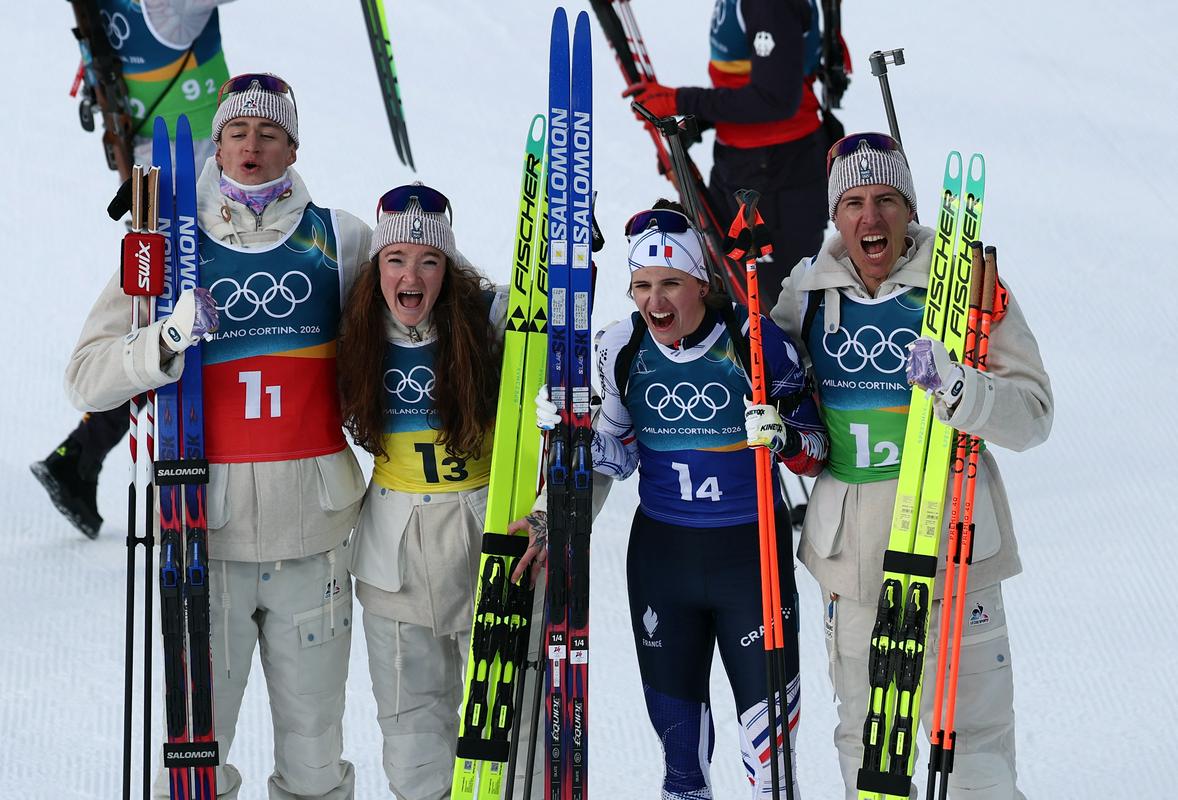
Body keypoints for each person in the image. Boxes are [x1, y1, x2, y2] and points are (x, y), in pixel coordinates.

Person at [65, 73, 371, 799]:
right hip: (204, 533)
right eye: (237, 131)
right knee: (200, 758)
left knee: (316, 756)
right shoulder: (165, 242)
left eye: (269, 133)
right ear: (220, 141)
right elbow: (86, 377)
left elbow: (417, 311)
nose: (252, 146)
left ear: (293, 144)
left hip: (315, 532)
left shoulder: (342, 238)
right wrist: (165, 338)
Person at [769, 132, 1053, 799]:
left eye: (889, 201)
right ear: (836, 215)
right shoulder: (806, 290)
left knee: (974, 754)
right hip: (853, 559)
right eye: (856, 202)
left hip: (955, 547)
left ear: (911, 209)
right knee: (869, 750)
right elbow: (765, 376)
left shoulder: (968, 284)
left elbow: (1035, 413)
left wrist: (963, 391)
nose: (872, 219)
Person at [523, 202, 829, 799]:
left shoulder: (755, 343)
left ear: (702, 283)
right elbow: (620, 456)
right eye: (641, 285)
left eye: (670, 283)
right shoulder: (621, 348)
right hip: (664, 557)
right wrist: (571, 433)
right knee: (681, 765)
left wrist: (785, 438)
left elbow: (816, 454)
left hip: (750, 556)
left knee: (771, 763)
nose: (655, 300)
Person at [336, 184, 546, 799]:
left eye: (428, 261)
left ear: (447, 268)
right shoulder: (354, 330)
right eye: (396, 259)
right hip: (393, 551)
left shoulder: (490, 320)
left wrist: (567, 282)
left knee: (513, 725)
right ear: (377, 266)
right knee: (411, 737)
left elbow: (566, 405)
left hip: (489, 536)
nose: (411, 275)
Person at [35, 0, 234, 538]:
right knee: (179, 337)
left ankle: (78, 455)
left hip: (155, 186)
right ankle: (79, 456)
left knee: (161, 335)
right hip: (198, 190)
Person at [623, 0, 837, 310]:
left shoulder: (768, 7)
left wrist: (680, 99)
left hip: (777, 177)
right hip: (740, 166)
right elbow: (747, 85)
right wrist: (689, 125)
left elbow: (776, 99)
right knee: (723, 285)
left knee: (770, 308)